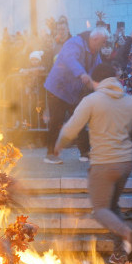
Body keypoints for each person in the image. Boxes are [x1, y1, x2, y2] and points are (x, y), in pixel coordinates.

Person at [53, 63, 132, 262]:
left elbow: (70, 129)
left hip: (103, 164)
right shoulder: (131, 101)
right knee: (112, 206)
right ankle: (122, 252)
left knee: (100, 210)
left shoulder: (91, 100)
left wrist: (58, 146)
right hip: (125, 164)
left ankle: (128, 234)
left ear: (96, 81)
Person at [43, 27, 107, 163]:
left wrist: (107, 80)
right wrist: (82, 73)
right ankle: (49, 154)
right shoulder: (75, 43)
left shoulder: (95, 51)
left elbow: (99, 68)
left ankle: (85, 152)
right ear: (95, 39)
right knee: (56, 121)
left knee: (80, 119)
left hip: (73, 91)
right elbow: (70, 59)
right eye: (102, 42)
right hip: (58, 89)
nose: (104, 46)